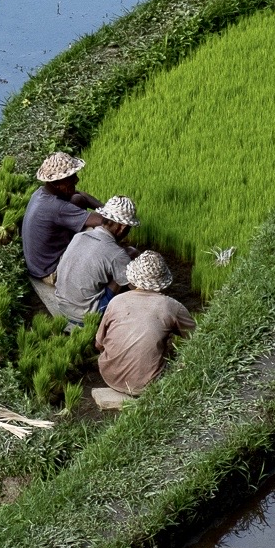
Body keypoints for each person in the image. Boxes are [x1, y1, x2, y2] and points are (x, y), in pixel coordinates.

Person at [94, 250, 194, 396]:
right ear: (163, 282)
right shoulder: (171, 306)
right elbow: (196, 338)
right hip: (148, 385)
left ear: (133, 279)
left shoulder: (116, 301)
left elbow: (98, 344)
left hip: (110, 376)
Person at [21, 151, 103, 315]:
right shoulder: (55, 207)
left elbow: (80, 195)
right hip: (51, 271)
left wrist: (105, 208)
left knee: (77, 200)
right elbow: (104, 222)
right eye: (71, 178)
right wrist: (117, 216)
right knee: (99, 236)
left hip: (40, 263)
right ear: (58, 183)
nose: (76, 180)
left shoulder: (41, 193)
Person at [53, 195, 138, 325]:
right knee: (128, 260)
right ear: (122, 227)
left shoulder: (79, 236)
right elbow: (137, 288)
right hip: (84, 316)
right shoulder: (117, 254)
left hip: (62, 305)